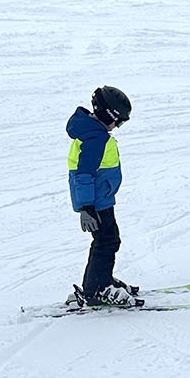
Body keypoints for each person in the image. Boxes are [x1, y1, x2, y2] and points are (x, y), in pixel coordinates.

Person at [65, 86, 137, 309]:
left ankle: (100, 280)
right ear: (109, 115)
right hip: (95, 202)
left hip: (100, 198)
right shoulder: (95, 138)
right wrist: (86, 207)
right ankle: (97, 288)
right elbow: (83, 175)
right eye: (120, 121)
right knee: (106, 241)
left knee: (107, 240)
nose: (118, 126)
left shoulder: (93, 132)